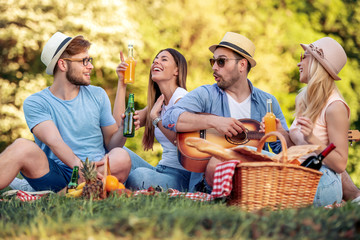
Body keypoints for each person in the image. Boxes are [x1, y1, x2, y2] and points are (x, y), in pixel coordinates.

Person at [0, 32, 134, 192]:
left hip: (97, 171)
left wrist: (123, 130)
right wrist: (82, 168)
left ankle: (69, 192)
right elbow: (54, 141)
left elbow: (112, 144)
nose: (90, 66)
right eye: (84, 61)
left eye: (89, 60)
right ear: (63, 65)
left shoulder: (98, 95)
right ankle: (80, 190)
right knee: (21, 146)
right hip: (57, 174)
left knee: (121, 156)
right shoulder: (36, 102)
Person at [162, 32, 288, 192]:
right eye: (212, 61)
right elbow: (169, 118)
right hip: (206, 183)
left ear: (242, 65)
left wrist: (282, 132)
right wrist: (215, 122)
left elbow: (283, 151)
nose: (214, 67)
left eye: (221, 61)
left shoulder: (267, 102)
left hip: (255, 177)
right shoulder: (205, 94)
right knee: (218, 161)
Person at [273, 37, 354, 207]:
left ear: (318, 64)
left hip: (323, 179)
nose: (299, 63)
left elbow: (340, 163)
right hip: (300, 171)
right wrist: (281, 132)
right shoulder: (303, 99)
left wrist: (313, 140)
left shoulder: (335, 107)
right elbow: (298, 148)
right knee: (246, 155)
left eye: (304, 57)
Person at [114, 48, 191, 191]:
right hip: (160, 170)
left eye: (164, 59)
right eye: (156, 58)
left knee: (138, 177)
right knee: (115, 150)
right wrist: (122, 83)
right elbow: (119, 125)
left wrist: (156, 119)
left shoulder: (182, 98)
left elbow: (183, 143)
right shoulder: (158, 103)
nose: (156, 61)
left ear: (176, 71)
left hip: (181, 177)